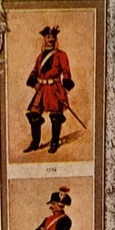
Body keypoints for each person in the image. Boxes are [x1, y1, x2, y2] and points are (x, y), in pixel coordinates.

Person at [24, 26, 74, 154]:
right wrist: (33, 82)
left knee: (56, 117)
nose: (50, 39)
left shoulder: (61, 55)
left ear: (55, 39)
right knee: (34, 115)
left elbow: (66, 71)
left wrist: (66, 87)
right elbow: (35, 70)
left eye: (53, 37)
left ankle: (54, 143)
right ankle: (35, 143)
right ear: (44, 39)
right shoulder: (40, 56)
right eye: (48, 37)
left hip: (54, 88)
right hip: (42, 89)